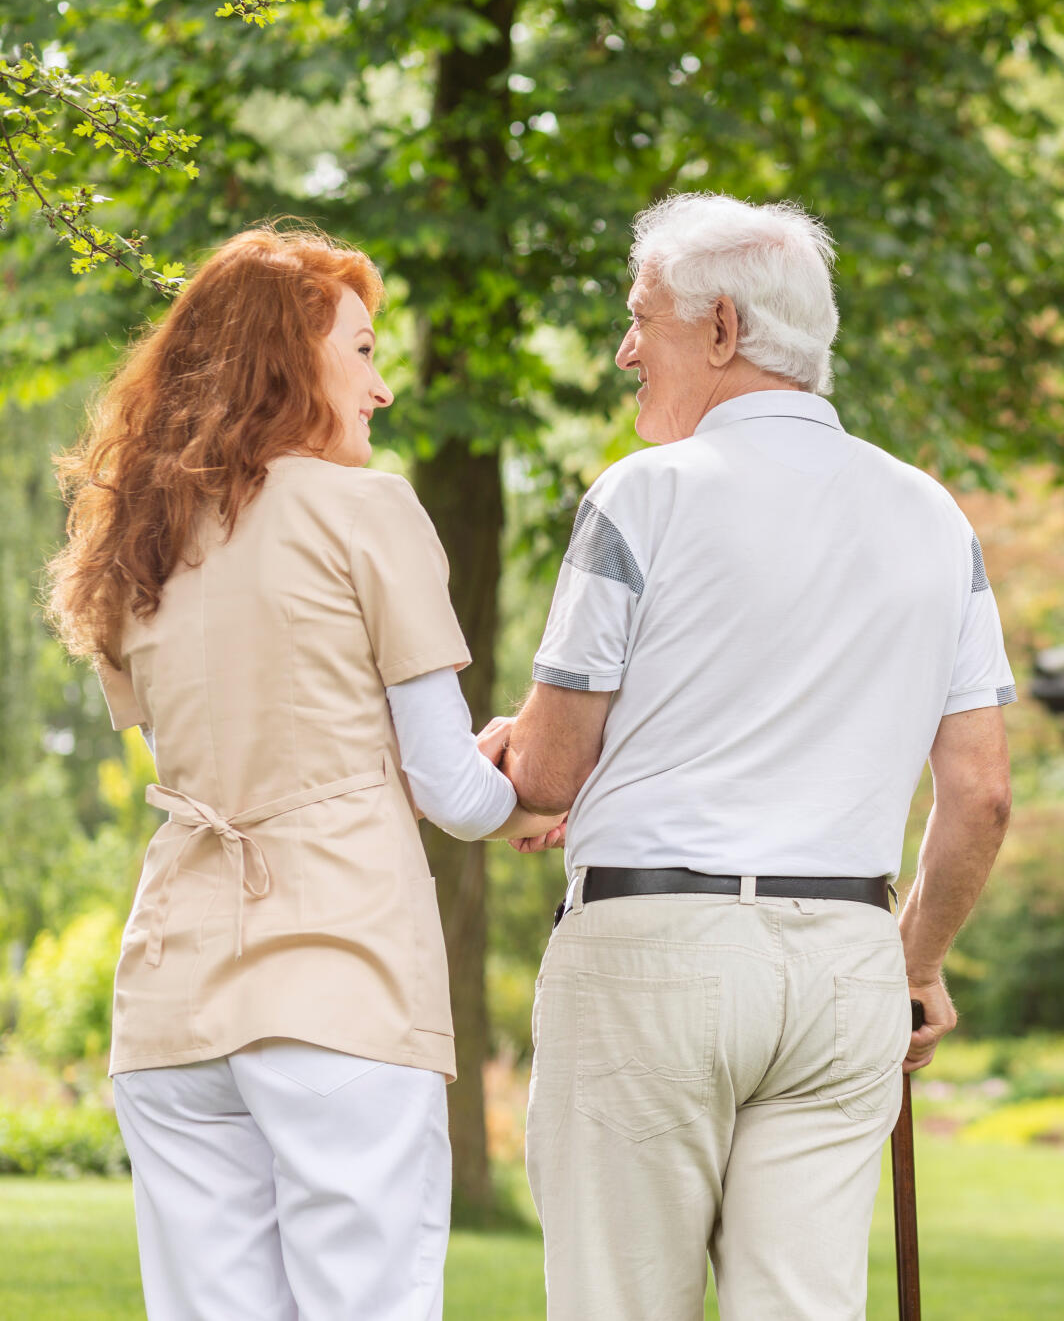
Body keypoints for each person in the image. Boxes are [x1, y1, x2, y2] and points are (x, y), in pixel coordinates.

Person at [484, 192, 1015, 1320]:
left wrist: (504, 751)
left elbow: (546, 775)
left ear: (720, 330)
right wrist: (910, 966)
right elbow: (980, 795)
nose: (627, 350)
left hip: (650, 957)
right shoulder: (933, 517)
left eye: (643, 320)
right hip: (843, 968)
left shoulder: (644, 494)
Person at [45, 225, 561, 1321]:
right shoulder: (365, 511)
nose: (380, 388)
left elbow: (227, 751)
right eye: (362, 352)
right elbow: (452, 796)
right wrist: (535, 778)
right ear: (289, 363)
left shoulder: (139, 542)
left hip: (173, 999)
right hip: (340, 979)